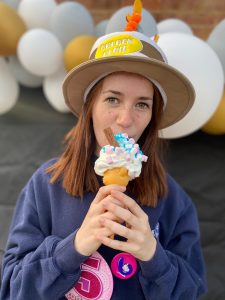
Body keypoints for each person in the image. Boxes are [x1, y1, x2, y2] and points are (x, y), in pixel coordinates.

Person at [0, 18, 207, 300]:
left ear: (152, 117)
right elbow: (12, 289)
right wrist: (73, 247)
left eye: (142, 104)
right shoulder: (47, 185)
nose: (125, 120)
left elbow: (192, 292)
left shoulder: (173, 200)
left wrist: (153, 256)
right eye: (112, 99)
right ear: (90, 107)